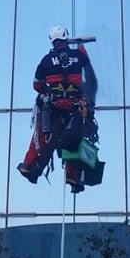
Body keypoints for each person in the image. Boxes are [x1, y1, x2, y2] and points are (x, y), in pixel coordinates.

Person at [17, 26, 97, 193]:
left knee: (41, 135)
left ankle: (28, 164)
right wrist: (81, 46)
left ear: (51, 40)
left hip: (53, 106)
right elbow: (87, 64)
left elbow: (36, 85)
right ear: (66, 37)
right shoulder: (78, 56)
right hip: (75, 107)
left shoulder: (46, 60)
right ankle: (71, 175)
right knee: (73, 139)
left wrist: (48, 91)